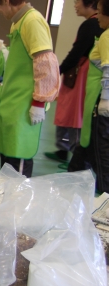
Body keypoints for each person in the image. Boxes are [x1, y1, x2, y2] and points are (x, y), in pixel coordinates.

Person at [0, 0, 60, 177]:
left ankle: (17, 202)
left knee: (18, 159)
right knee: (8, 157)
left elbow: (45, 64)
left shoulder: (32, 20)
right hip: (13, 102)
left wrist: (38, 102)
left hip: (24, 105)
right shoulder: (18, 22)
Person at [45, 0, 103, 168]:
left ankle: (77, 158)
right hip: (84, 73)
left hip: (81, 75)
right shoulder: (94, 25)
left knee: (75, 115)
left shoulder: (90, 25)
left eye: (77, 2)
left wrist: (60, 69)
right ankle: (64, 150)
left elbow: (76, 52)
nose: (75, 5)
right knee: (72, 113)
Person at [69, 0, 109, 194]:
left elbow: (108, 68)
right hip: (95, 99)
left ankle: (104, 198)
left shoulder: (108, 35)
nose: (97, 16)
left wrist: (105, 100)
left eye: (100, 12)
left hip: (99, 102)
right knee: (87, 150)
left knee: (100, 155)